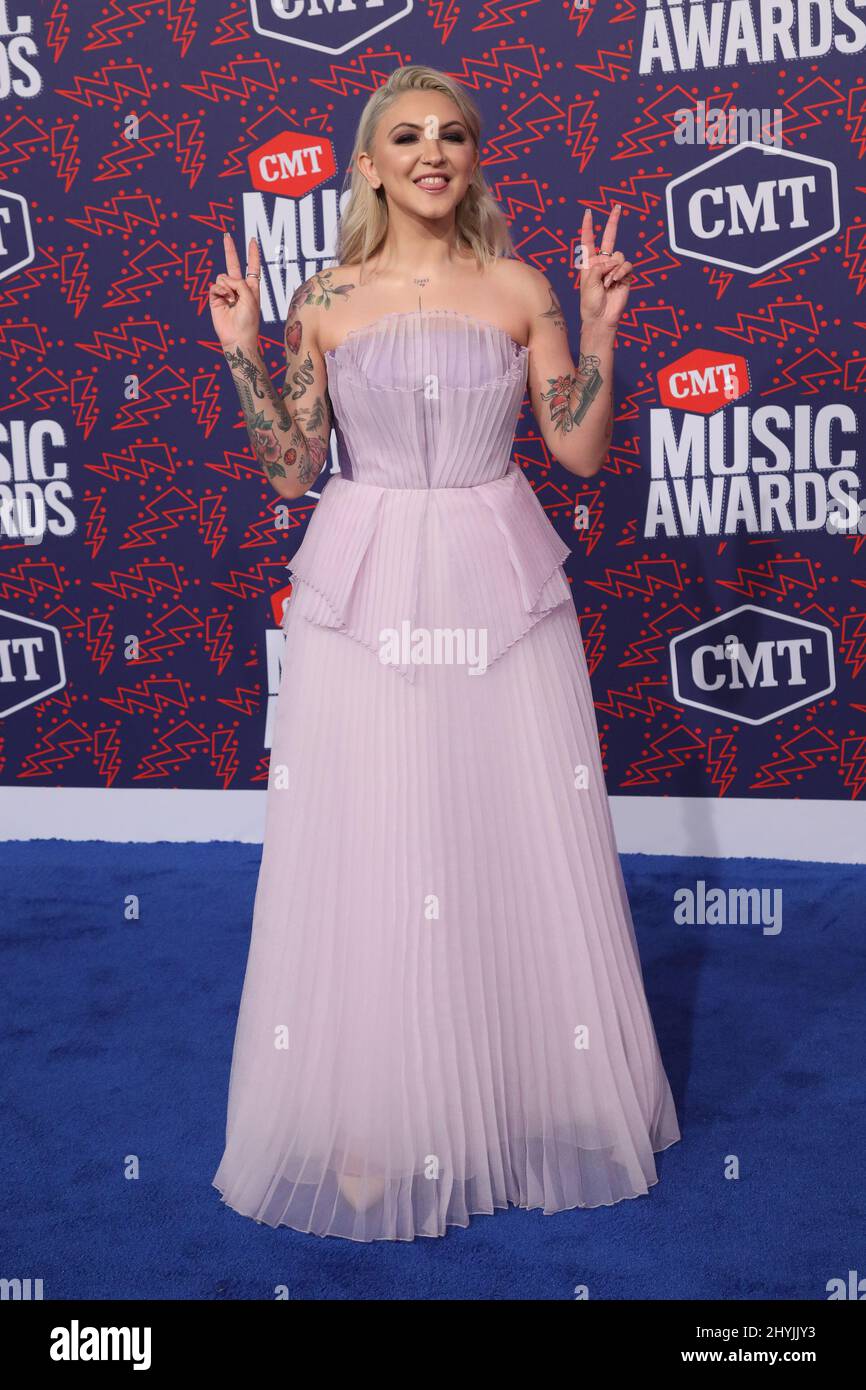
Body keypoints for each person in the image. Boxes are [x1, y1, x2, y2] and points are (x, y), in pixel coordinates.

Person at [209, 64, 680, 1242]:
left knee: (499, 828)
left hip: (495, 580)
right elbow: (287, 467)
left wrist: (605, 331)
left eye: (452, 135)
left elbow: (571, 451)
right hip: (363, 583)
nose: (431, 152)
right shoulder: (322, 295)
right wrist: (239, 347)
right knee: (374, 836)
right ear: (367, 164)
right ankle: (369, 1121)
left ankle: (518, 1101)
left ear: (473, 158)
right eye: (405, 136)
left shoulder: (521, 284)